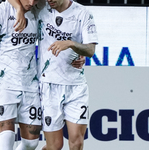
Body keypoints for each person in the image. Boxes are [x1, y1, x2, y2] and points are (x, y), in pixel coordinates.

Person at [8, 0, 98, 149]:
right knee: (54, 146)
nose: (50, 0)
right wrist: (18, 8)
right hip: (48, 86)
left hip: (76, 87)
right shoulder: (41, 7)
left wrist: (71, 44)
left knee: (77, 142)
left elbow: (90, 50)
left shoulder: (83, 14)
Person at [0, 0, 42, 150]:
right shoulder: (1, 12)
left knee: (31, 143)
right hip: (4, 84)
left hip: (30, 84)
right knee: (7, 138)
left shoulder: (38, 10)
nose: (31, 2)